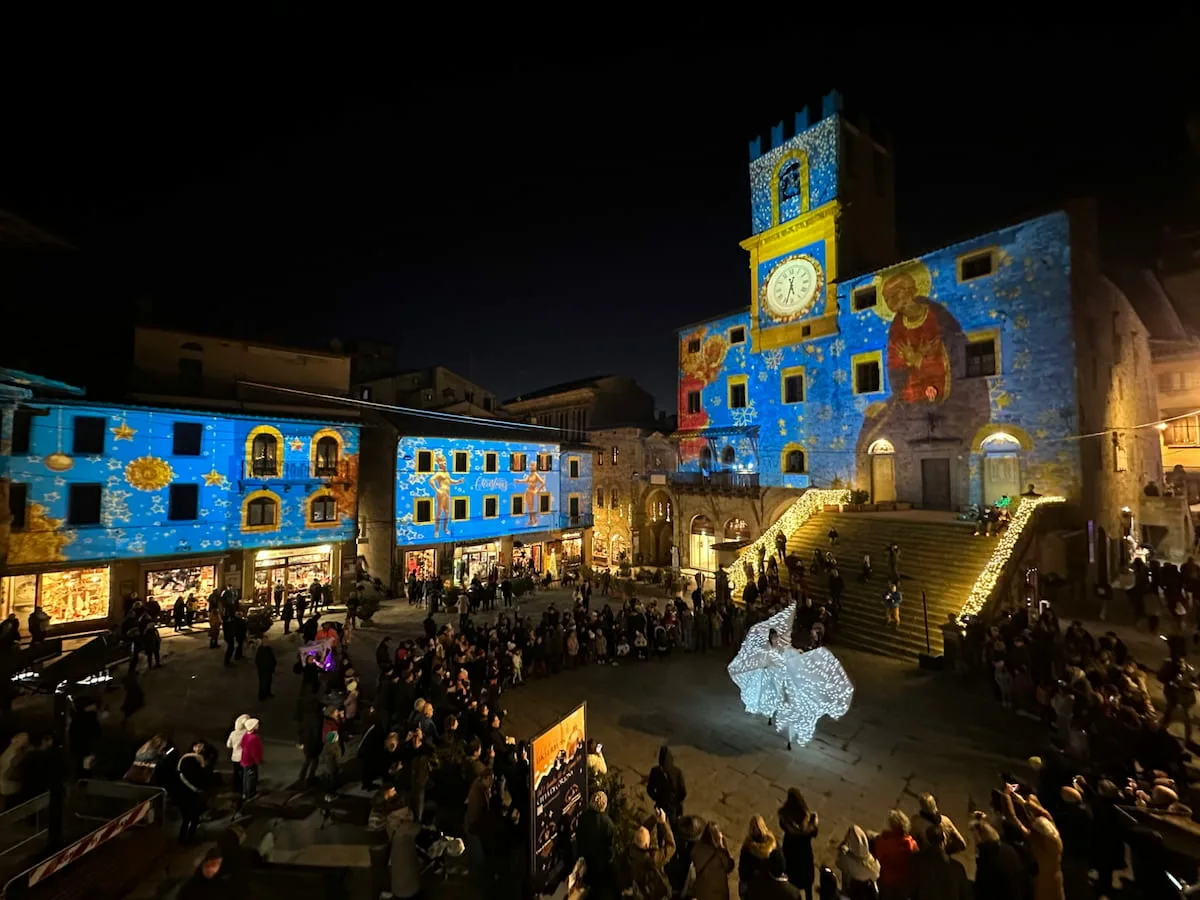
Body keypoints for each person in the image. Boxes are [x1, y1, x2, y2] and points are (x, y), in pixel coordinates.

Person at [727, 604, 854, 750]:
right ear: (771, 639)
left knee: (791, 701)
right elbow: (767, 662)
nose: (776, 640)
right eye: (774, 638)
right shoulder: (768, 653)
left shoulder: (780, 648)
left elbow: (788, 651)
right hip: (774, 680)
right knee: (781, 700)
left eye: (777, 638)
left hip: (784, 680)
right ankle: (780, 721)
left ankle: (790, 731)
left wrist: (797, 652)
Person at [778, 789, 818, 900]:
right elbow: (814, 832)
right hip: (804, 855)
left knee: (792, 882)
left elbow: (781, 824)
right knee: (807, 884)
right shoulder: (807, 818)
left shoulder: (786, 816)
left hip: (790, 852)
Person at [738, 815, 784, 900]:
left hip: (754, 887)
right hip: (770, 885)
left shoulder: (747, 848)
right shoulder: (773, 844)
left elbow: (742, 873)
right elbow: (781, 866)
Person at [689, 820, 735, 900]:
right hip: (718, 892)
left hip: (702, 889)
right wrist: (722, 847)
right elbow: (729, 866)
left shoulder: (696, 849)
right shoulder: (720, 853)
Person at [835, 825, 880, 900]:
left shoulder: (846, 858)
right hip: (865, 892)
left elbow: (838, 863)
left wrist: (843, 844)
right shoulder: (872, 862)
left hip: (852, 889)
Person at [647, 744, 687, 826]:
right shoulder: (677, 772)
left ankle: (661, 838)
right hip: (673, 806)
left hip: (661, 805)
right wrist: (676, 801)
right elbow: (683, 792)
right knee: (674, 829)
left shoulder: (655, 771)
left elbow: (649, 789)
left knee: (661, 828)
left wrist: (657, 798)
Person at [239, 718, 263, 803]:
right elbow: (255, 752)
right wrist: (258, 760)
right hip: (250, 761)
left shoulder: (246, 735)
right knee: (251, 778)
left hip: (244, 760)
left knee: (245, 777)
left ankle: (245, 792)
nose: (258, 726)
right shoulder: (254, 738)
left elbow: (242, 745)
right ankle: (250, 794)